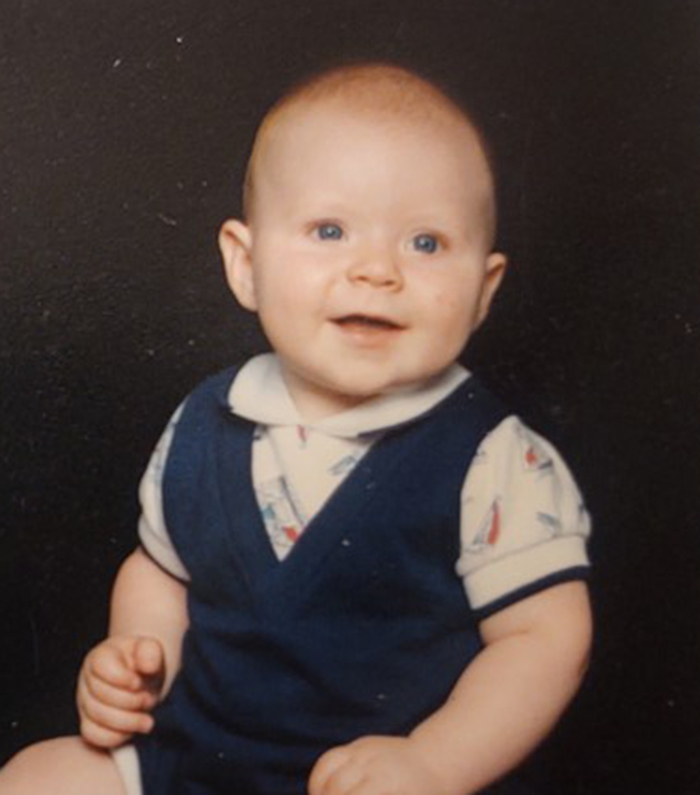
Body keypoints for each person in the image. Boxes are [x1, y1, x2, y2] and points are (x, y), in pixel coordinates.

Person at [0, 62, 592, 795]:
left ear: (483, 291)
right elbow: (162, 570)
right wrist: (135, 657)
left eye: (427, 243)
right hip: (196, 752)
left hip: (373, 779)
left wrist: (433, 762)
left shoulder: (494, 458)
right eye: (330, 230)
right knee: (38, 775)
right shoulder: (207, 418)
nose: (376, 270)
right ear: (246, 265)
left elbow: (545, 638)